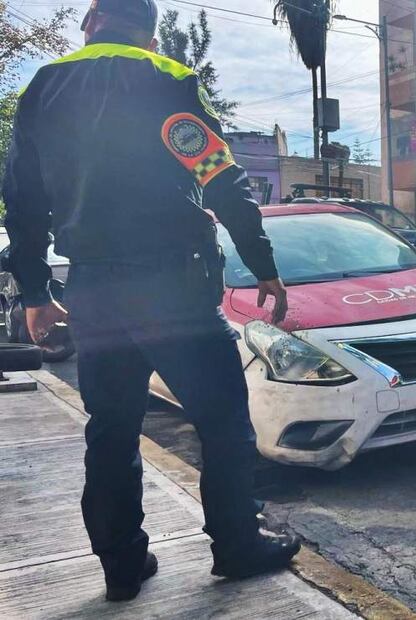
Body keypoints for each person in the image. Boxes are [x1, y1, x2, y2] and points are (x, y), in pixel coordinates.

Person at [1, 0, 299, 602]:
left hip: (93, 291)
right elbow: (220, 175)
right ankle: (237, 544)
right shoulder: (169, 80)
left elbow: (22, 201)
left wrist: (35, 293)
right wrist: (262, 262)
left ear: (90, 24)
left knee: (111, 429)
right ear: (151, 34)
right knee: (222, 421)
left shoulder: (41, 89)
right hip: (173, 289)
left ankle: (121, 566)